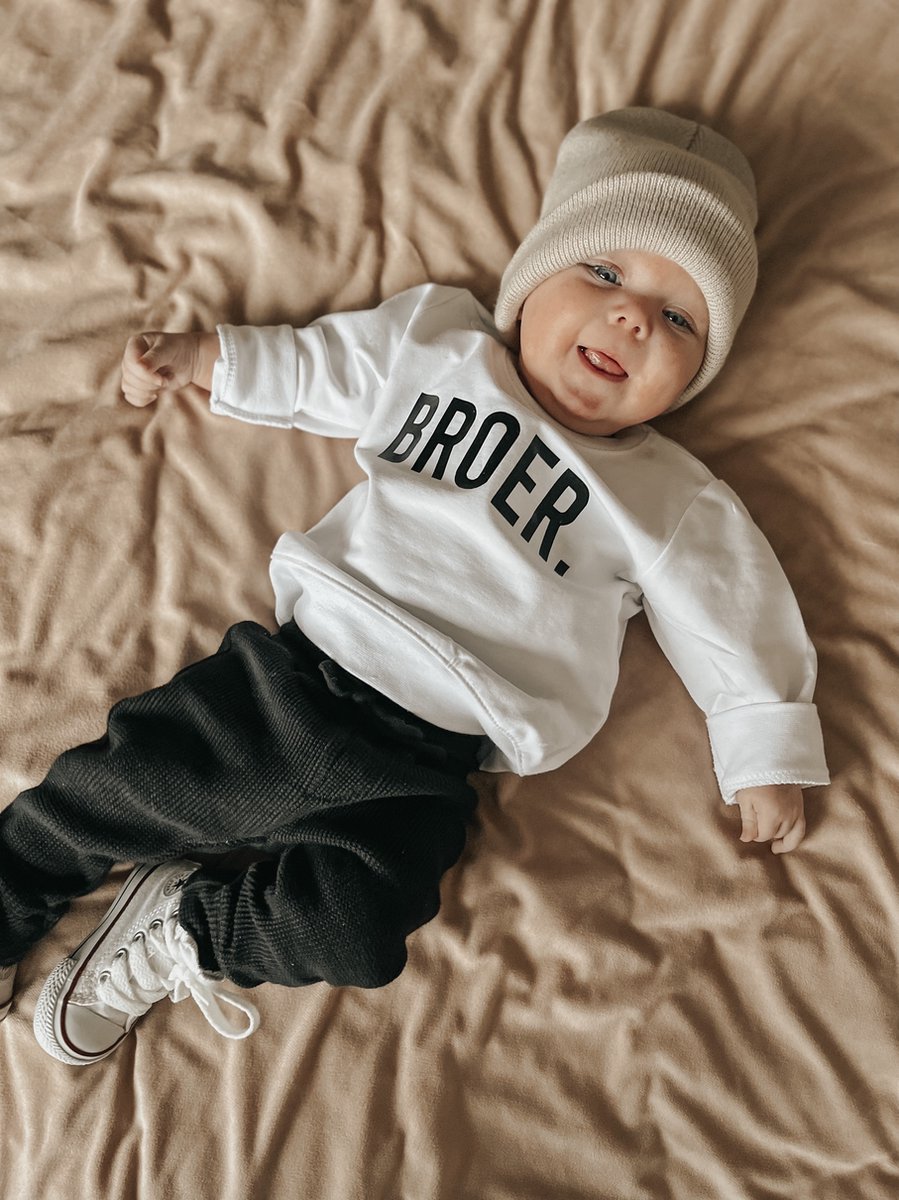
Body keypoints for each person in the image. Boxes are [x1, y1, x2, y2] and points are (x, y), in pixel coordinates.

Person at [0, 108, 829, 1065]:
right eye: (602, 273)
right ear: (531, 282)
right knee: (112, 789)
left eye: (678, 318)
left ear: (693, 375)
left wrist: (763, 747)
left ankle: (186, 928)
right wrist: (208, 359)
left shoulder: (670, 497)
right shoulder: (442, 346)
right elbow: (322, 366)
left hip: (431, 763)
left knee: (359, 933)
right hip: (298, 681)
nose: (632, 316)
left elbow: (733, 612)